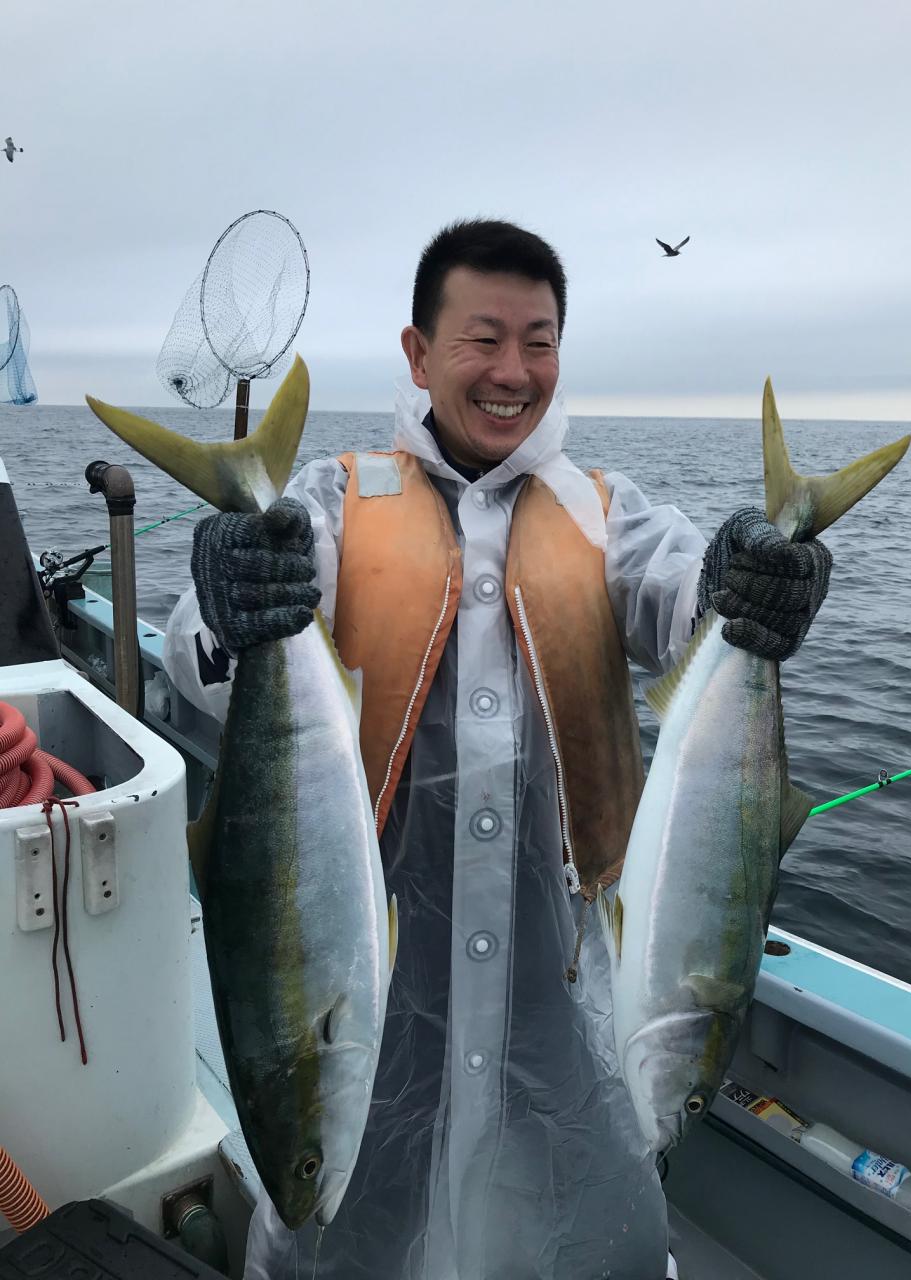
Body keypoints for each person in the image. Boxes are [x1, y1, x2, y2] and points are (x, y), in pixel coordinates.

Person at [164, 219, 832, 1280]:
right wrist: (228, 598)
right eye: (482, 339)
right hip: (370, 974)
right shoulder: (331, 503)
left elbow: (688, 603)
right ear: (418, 352)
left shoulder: (608, 514)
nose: (513, 371)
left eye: (540, 340)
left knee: (572, 1227)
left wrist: (746, 584)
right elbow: (198, 663)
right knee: (349, 1217)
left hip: (557, 995)